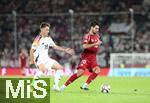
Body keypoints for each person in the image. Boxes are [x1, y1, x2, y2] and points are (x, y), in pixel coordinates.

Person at [29, 22, 74, 91]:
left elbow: (55, 47)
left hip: (46, 58)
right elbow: (32, 50)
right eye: (47, 29)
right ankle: (32, 84)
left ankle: (55, 86)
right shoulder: (38, 39)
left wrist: (65, 50)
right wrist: (32, 60)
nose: (48, 31)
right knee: (43, 70)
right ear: (42, 29)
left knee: (59, 68)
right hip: (38, 58)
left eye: (48, 29)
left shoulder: (48, 39)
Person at [60, 21, 102, 91]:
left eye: (98, 29)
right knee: (80, 73)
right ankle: (63, 86)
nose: (97, 30)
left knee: (97, 71)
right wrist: (95, 44)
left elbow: (96, 45)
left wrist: (97, 47)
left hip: (93, 58)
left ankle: (85, 85)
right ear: (92, 27)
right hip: (86, 57)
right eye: (96, 28)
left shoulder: (97, 36)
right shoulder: (87, 36)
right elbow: (84, 46)